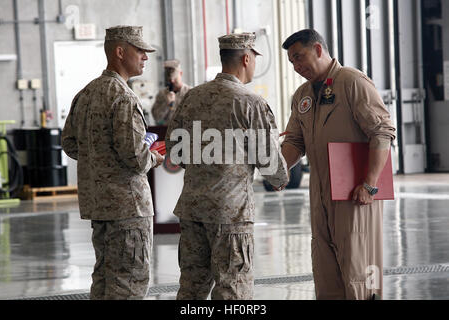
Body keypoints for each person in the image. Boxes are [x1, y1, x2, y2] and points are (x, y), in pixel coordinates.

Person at [165, 32, 289, 300]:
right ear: (246, 58)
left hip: (193, 209)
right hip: (230, 214)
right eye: (254, 58)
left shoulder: (191, 97)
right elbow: (270, 163)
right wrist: (280, 177)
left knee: (191, 288)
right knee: (232, 288)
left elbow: (174, 150)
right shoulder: (251, 103)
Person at [280, 29, 396, 300]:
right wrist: (280, 170)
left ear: (319, 49)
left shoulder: (352, 82)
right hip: (320, 197)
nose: (297, 67)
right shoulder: (302, 96)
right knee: (326, 273)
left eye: (300, 58)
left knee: (360, 271)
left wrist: (370, 185)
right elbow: (295, 141)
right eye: (292, 62)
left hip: (356, 197)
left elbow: (382, 132)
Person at [61, 25, 164, 300]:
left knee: (104, 280)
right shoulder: (124, 97)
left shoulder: (85, 93)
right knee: (129, 282)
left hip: (99, 205)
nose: (145, 57)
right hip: (128, 209)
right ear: (120, 52)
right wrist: (155, 156)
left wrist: (99, 159)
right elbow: (136, 158)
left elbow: (69, 144)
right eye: (140, 51)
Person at [151, 59, 191, 125]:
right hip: (167, 132)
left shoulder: (190, 93)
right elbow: (157, 118)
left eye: (175, 79)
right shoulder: (162, 94)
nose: (172, 82)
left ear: (181, 73)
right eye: (170, 79)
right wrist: (167, 104)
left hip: (186, 131)